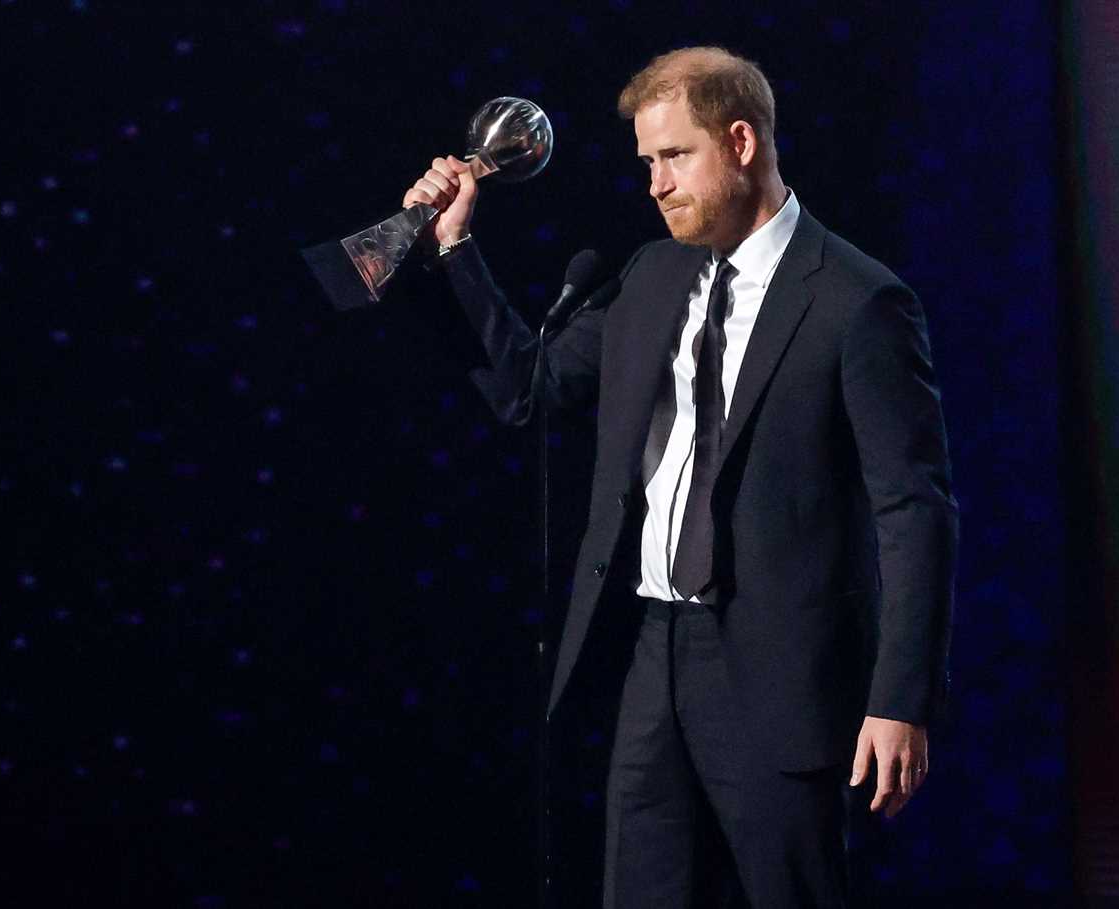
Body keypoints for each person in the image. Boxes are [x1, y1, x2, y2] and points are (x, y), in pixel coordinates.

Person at [402, 46, 957, 908]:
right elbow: (531, 385)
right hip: (652, 656)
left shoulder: (858, 301)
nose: (654, 183)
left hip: (780, 672)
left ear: (740, 141)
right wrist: (456, 246)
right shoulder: (654, 274)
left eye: (672, 156)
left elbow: (914, 508)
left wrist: (900, 697)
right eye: (646, 162)